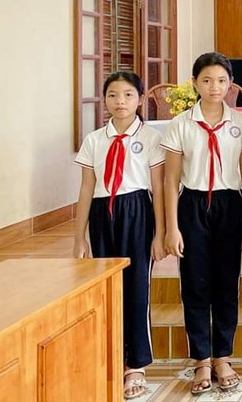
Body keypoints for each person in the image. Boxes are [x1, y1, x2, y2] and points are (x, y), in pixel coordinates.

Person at [162, 52, 242, 395]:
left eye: (221, 80)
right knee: (195, 282)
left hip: (229, 205)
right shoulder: (181, 124)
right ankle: (201, 358)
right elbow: (171, 179)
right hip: (193, 204)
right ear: (194, 83)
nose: (214, 87)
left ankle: (223, 357)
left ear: (230, 84)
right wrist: (172, 226)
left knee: (226, 281)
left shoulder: (241, 123)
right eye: (206, 80)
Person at [73, 72, 166, 400]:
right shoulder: (94, 140)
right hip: (103, 214)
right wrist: (80, 236)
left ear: (139, 99)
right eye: (113, 95)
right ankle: (111, 354)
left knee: (137, 286)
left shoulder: (151, 138)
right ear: (105, 100)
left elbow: (158, 188)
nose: (120, 102)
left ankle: (137, 364)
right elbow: (87, 187)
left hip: (137, 211)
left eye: (128, 95)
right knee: (107, 287)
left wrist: (160, 233)